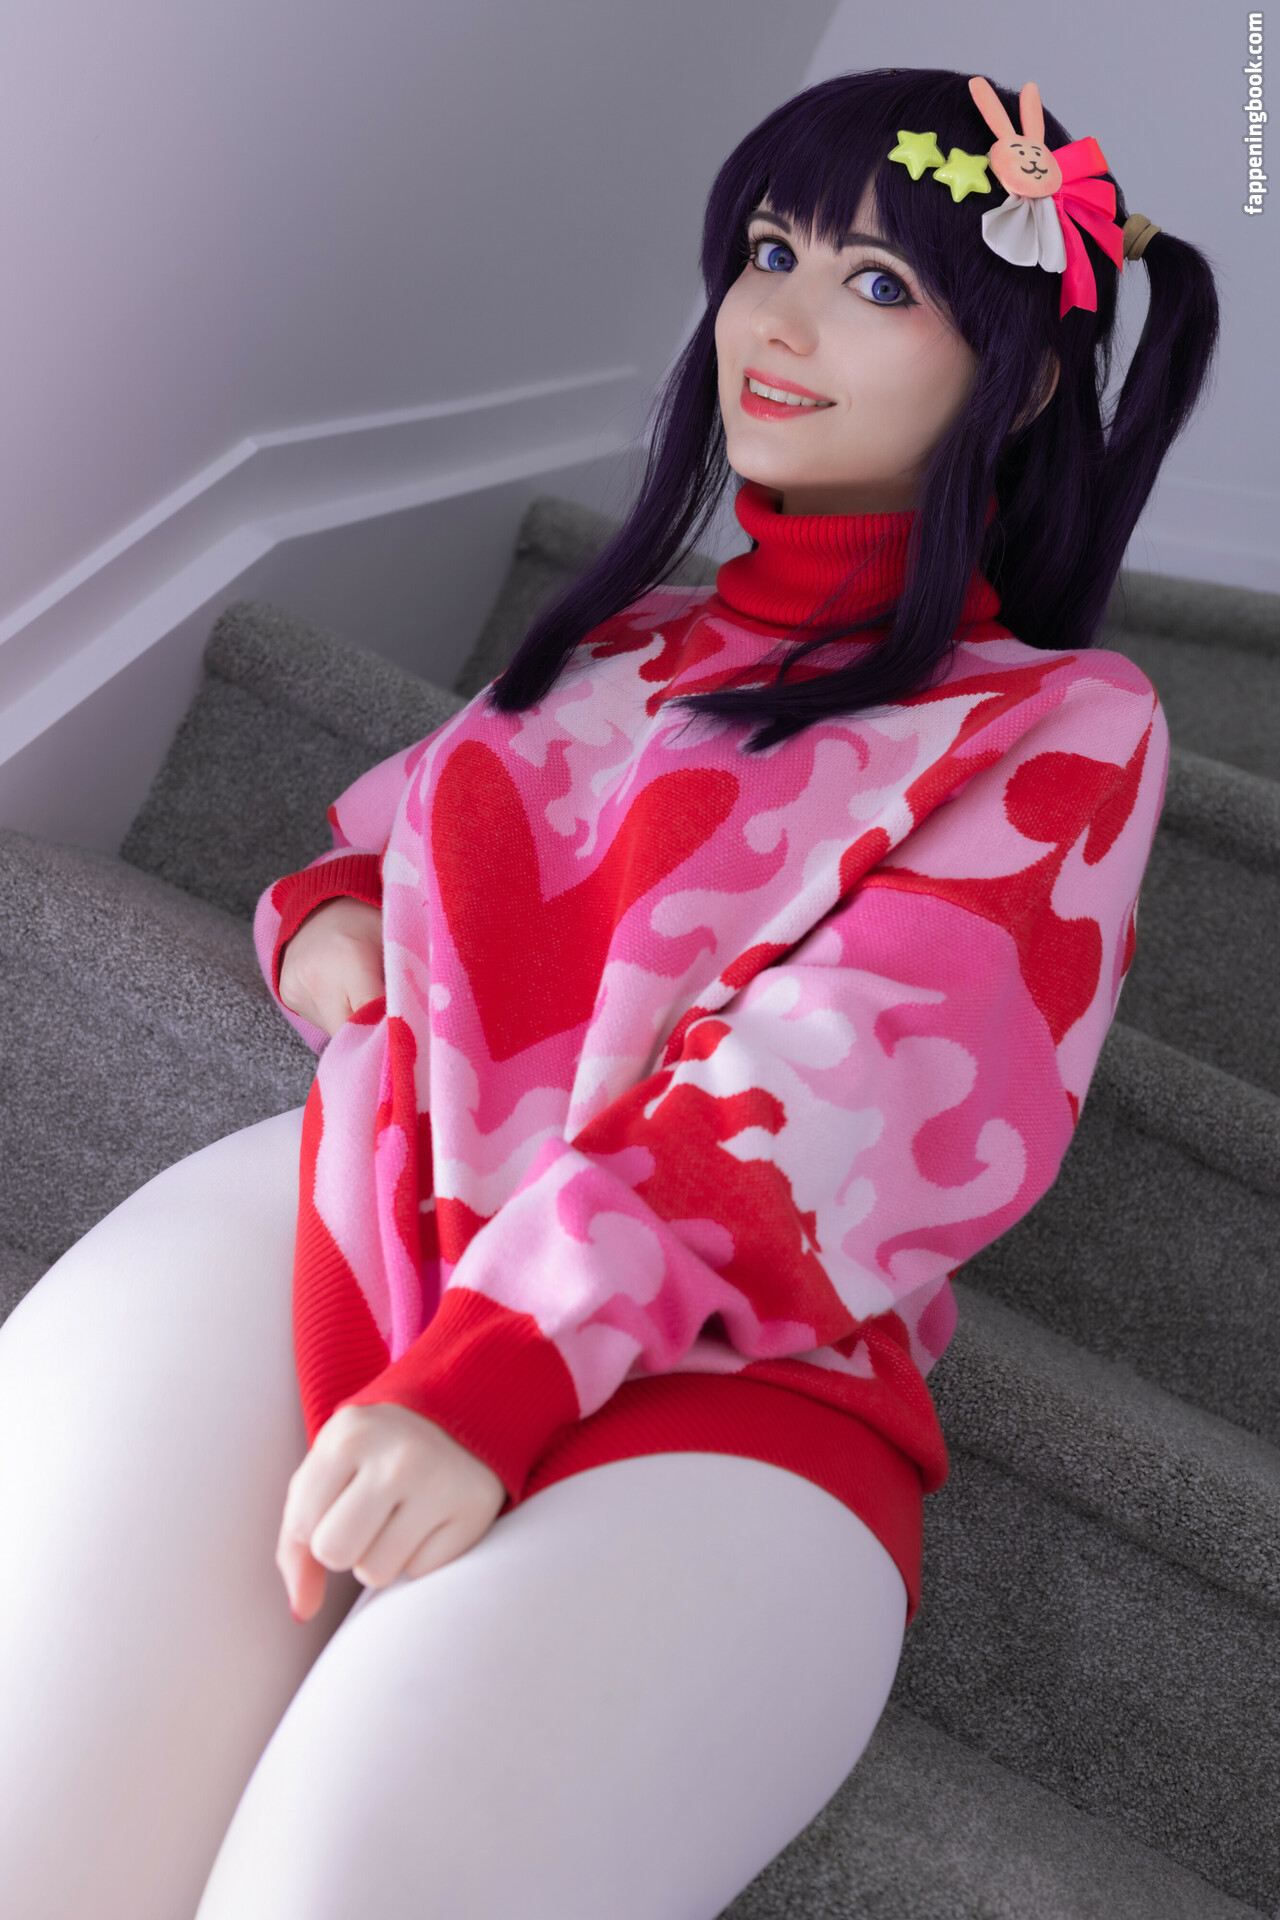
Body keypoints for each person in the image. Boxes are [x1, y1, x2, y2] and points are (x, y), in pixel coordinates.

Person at [0, 66, 1217, 1920]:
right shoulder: (629, 638)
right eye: (768, 251)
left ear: (1025, 378)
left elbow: (848, 1095)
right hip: (364, 1200)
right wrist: (324, 922)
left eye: (877, 283)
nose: (777, 320)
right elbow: (389, 846)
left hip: (727, 1365)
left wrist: (500, 1365)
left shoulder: (1059, 720)